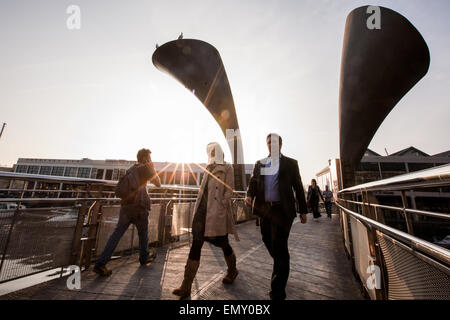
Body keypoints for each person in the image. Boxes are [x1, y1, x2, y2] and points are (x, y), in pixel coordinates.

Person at [245, 133, 307, 300]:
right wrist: (249, 195)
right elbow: (253, 182)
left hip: (283, 210)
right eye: (268, 142)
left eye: (273, 142)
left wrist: (303, 210)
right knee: (267, 240)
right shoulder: (261, 164)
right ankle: (282, 265)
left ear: (280, 144)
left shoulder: (290, 164)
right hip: (266, 210)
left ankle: (277, 292)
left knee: (280, 245)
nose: (270, 145)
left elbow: (298, 187)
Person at [173, 142, 239, 298]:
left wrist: (222, 206)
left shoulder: (227, 167)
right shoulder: (208, 168)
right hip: (202, 212)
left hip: (216, 213)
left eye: (214, 150)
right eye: (210, 151)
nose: (211, 153)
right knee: (196, 243)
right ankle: (186, 285)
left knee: (223, 243)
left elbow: (229, 190)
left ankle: (232, 270)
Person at [93, 148, 161, 276]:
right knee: (143, 233)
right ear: (146, 158)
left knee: (116, 234)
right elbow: (158, 184)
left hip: (126, 207)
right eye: (150, 158)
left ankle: (101, 264)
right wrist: (152, 167)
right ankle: (144, 257)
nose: (151, 160)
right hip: (139, 208)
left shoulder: (131, 169)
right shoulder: (145, 168)